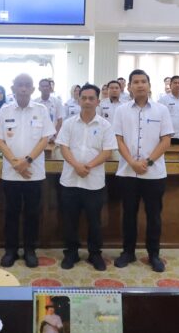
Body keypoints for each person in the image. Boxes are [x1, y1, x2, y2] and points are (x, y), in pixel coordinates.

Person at [0, 73, 55, 268]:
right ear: (13, 88)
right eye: (20, 85)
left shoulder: (41, 110)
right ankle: (10, 250)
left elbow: (45, 139)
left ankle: (30, 250)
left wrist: (27, 161)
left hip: (33, 173)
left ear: (33, 89)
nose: (24, 88)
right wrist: (15, 163)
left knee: (32, 214)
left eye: (27, 85)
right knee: (11, 213)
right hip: (11, 173)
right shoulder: (5, 110)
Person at [112, 69, 173, 272]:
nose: (140, 85)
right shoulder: (121, 111)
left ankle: (154, 254)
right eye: (135, 82)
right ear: (129, 87)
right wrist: (132, 162)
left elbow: (166, 140)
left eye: (143, 81)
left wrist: (147, 162)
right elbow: (118, 139)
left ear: (149, 85)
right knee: (128, 214)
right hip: (127, 173)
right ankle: (128, 252)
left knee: (154, 216)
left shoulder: (161, 110)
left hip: (154, 174)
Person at [56, 83, 117, 271]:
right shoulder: (69, 123)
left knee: (95, 221)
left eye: (91, 98)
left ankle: (95, 254)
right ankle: (71, 253)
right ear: (79, 100)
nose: (87, 101)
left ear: (98, 101)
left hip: (94, 182)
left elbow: (107, 151)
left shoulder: (105, 125)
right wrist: (76, 165)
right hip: (70, 180)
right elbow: (63, 147)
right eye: (84, 98)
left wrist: (88, 166)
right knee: (69, 220)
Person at [35, 78, 63, 142]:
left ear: (50, 88)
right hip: (38, 138)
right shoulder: (35, 102)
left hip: (52, 138)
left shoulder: (57, 102)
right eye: (42, 86)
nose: (45, 88)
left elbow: (60, 121)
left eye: (46, 86)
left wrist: (54, 136)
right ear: (39, 88)